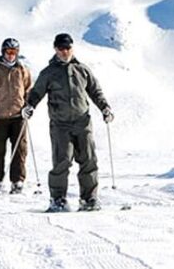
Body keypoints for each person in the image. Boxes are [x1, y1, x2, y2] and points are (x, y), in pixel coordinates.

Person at [23, 33, 113, 213]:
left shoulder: (82, 69)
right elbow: (36, 92)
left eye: (68, 48)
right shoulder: (49, 73)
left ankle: (89, 199)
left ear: (72, 48)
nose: (65, 52)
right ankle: (58, 200)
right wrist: (29, 106)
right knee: (61, 162)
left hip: (83, 122)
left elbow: (95, 91)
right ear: (55, 50)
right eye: (61, 49)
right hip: (60, 124)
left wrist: (105, 108)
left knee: (88, 160)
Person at [0, 37, 33, 194]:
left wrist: (28, 107)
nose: (10, 55)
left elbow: (29, 90)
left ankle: (17, 181)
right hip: (0, 117)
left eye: (14, 52)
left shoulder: (22, 70)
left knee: (20, 150)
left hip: (19, 116)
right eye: (8, 52)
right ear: (3, 52)